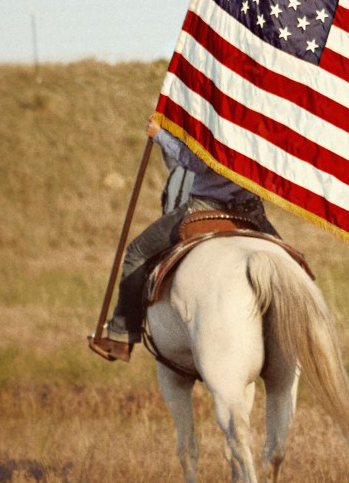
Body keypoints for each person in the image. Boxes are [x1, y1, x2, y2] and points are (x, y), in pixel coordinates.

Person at [100, 118, 278, 359]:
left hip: (206, 207)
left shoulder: (216, 114)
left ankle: (121, 335)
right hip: (251, 211)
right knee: (293, 262)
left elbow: (196, 162)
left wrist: (160, 135)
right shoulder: (257, 117)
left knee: (137, 252)